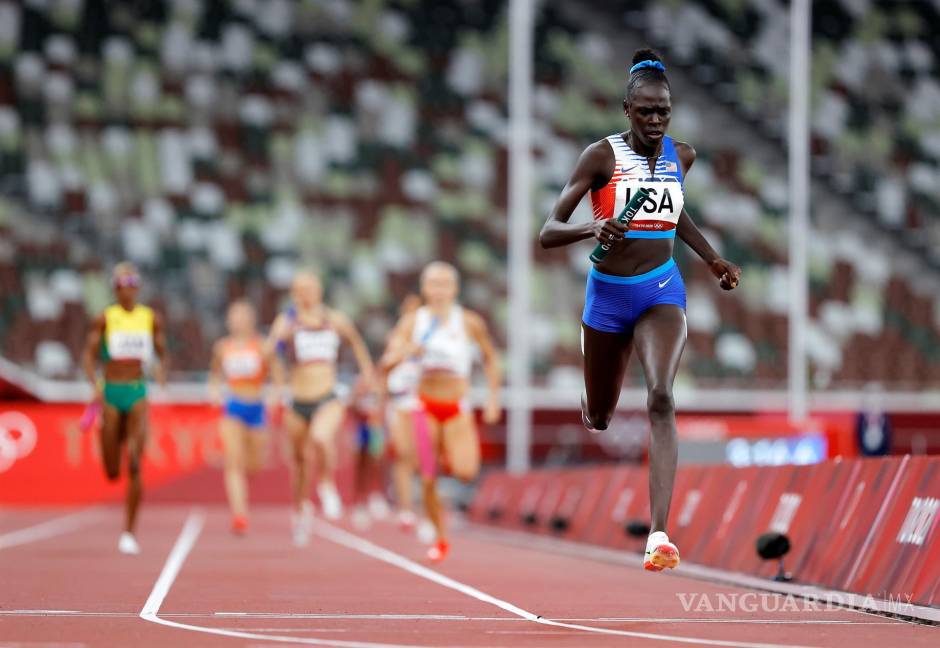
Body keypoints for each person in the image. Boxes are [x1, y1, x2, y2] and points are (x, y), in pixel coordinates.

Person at [538, 49, 741, 572]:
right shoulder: (599, 158)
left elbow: (674, 211)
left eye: (663, 112)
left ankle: (658, 535)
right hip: (607, 297)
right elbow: (548, 231)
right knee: (601, 416)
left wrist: (712, 257)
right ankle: (595, 394)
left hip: (660, 291)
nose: (655, 120)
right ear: (626, 108)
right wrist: (591, 227)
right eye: (646, 111)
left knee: (661, 396)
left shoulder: (683, 155)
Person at [382, 262, 501, 562]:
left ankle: (449, 451)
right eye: (433, 284)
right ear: (424, 289)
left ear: (454, 289)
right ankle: (441, 537)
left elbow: (490, 358)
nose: (438, 290)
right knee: (427, 476)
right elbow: (387, 359)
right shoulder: (414, 322)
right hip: (424, 406)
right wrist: (404, 351)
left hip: (456, 405)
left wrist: (492, 399)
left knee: (465, 472)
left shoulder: (469, 321)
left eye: (444, 284)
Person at [268, 271, 374, 546]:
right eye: (300, 289)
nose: (305, 294)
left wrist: (367, 373)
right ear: (293, 294)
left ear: (319, 291)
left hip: (327, 396)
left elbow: (356, 342)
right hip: (297, 399)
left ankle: (327, 484)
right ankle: (300, 510)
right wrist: (279, 345)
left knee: (321, 437)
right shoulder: (287, 321)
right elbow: (270, 356)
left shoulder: (334, 320)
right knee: (300, 463)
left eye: (310, 288)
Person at [82, 262, 168, 554]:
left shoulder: (150, 318)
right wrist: (94, 381)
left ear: (139, 286)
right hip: (111, 392)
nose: (127, 287)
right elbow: (89, 355)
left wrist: (160, 370)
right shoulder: (105, 318)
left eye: (132, 281)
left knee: (134, 463)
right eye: (121, 282)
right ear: (114, 288)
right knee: (111, 471)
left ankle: (129, 532)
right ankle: (108, 438)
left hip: (137, 390)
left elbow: (162, 351)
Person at [208, 300, 282, 535]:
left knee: (253, 465)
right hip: (233, 407)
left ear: (250, 320)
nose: (236, 321)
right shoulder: (222, 347)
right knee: (233, 462)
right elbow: (215, 375)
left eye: (241, 316)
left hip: (256, 407)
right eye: (233, 316)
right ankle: (239, 515)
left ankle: (242, 500)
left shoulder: (262, 346)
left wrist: (274, 395)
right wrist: (214, 391)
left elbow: (278, 375)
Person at [382, 294, 422, 532]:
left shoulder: (427, 338)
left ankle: (418, 504)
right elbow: (384, 368)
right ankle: (405, 508)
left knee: (419, 457)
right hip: (399, 402)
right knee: (402, 453)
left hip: (420, 402)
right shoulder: (395, 339)